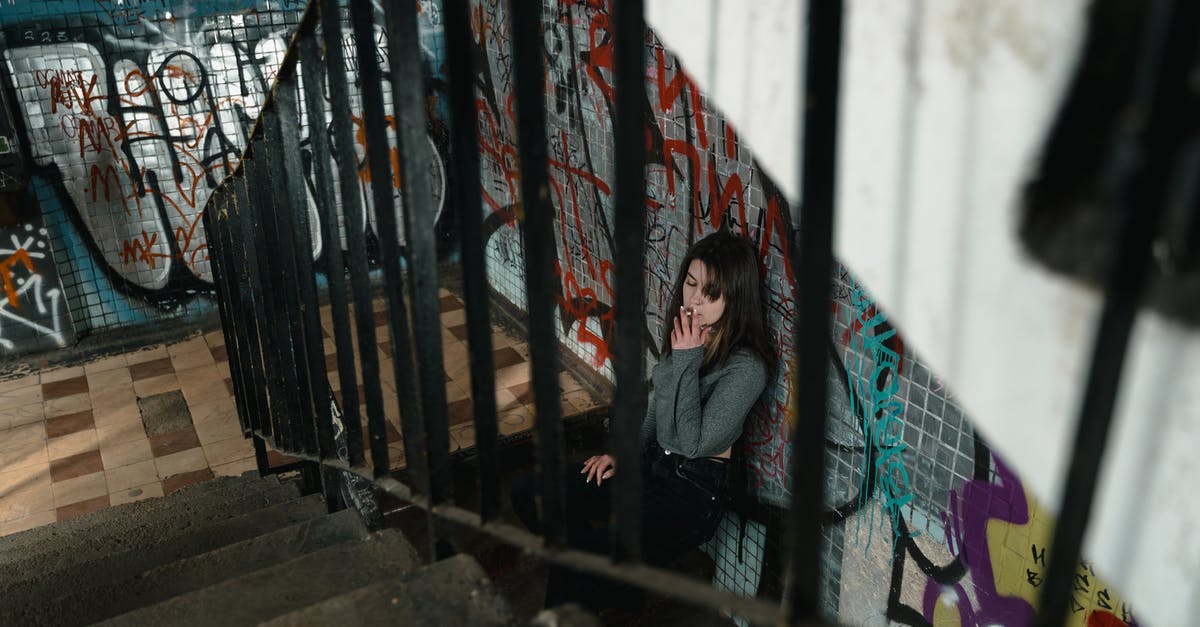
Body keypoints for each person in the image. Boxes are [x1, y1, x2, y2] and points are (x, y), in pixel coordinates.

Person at [510, 230, 774, 613]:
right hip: (651, 466)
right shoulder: (686, 334)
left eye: (710, 293)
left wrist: (686, 359)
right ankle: (611, 581)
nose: (694, 300)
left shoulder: (747, 368)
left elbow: (692, 443)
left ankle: (595, 579)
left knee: (578, 567)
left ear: (735, 299)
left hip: (691, 494)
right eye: (691, 283)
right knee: (530, 493)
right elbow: (656, 412)